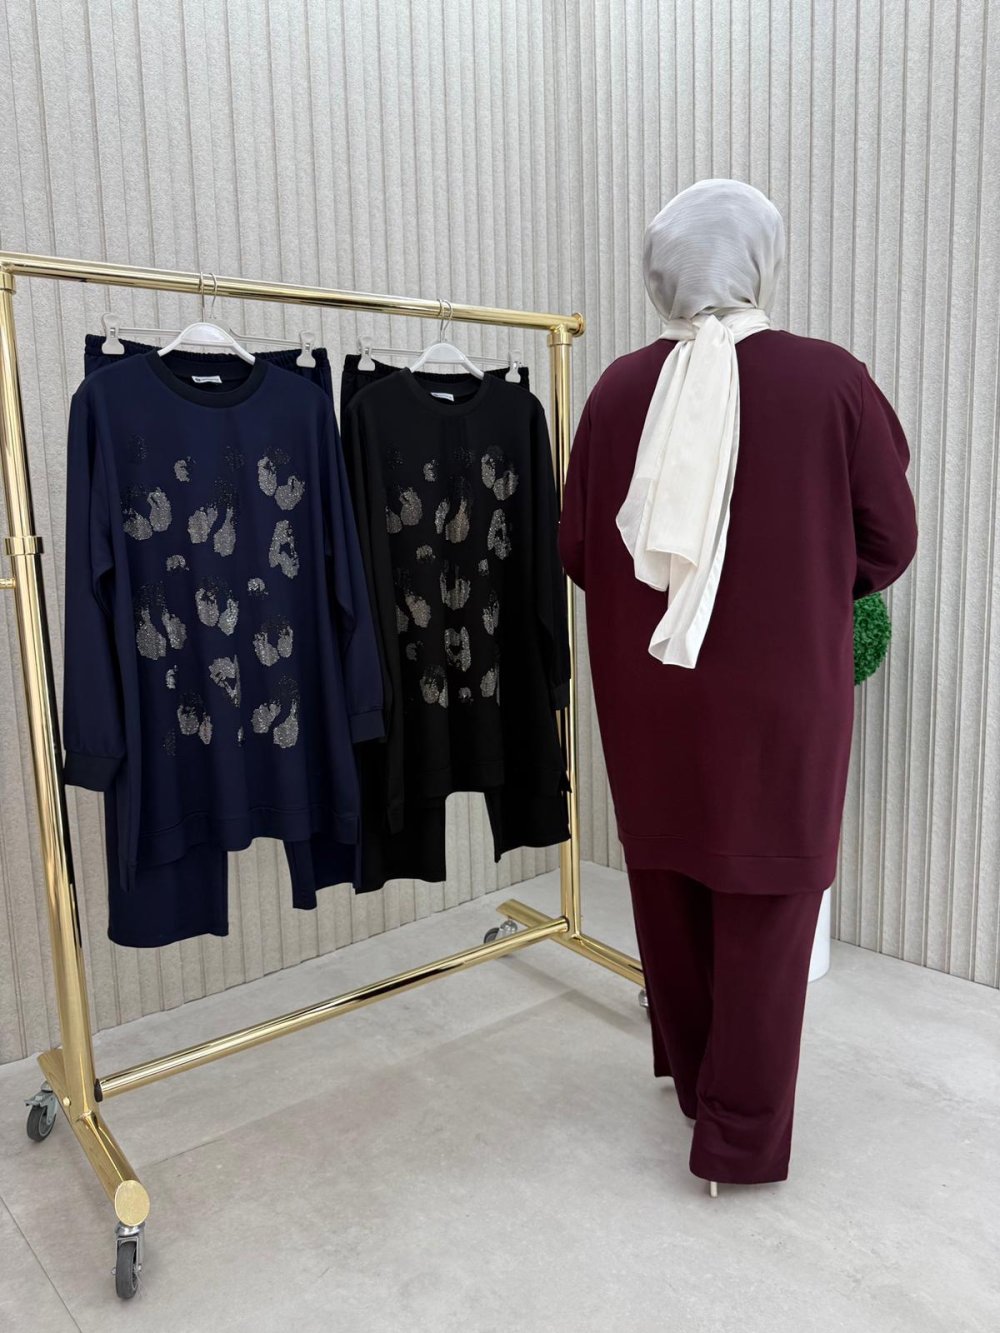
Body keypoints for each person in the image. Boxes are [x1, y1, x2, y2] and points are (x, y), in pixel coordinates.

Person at [558, 178, 917, 1190]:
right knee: (768, 900)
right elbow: (888, 539)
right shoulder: (831, 380)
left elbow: (579, 549)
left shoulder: (616, 390)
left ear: (659, 273)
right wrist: (793, 584)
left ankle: (696, 1086)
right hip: (780, 689)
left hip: (649, 688)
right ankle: (737, 1137)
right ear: (762, 259)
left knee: (668, 884)